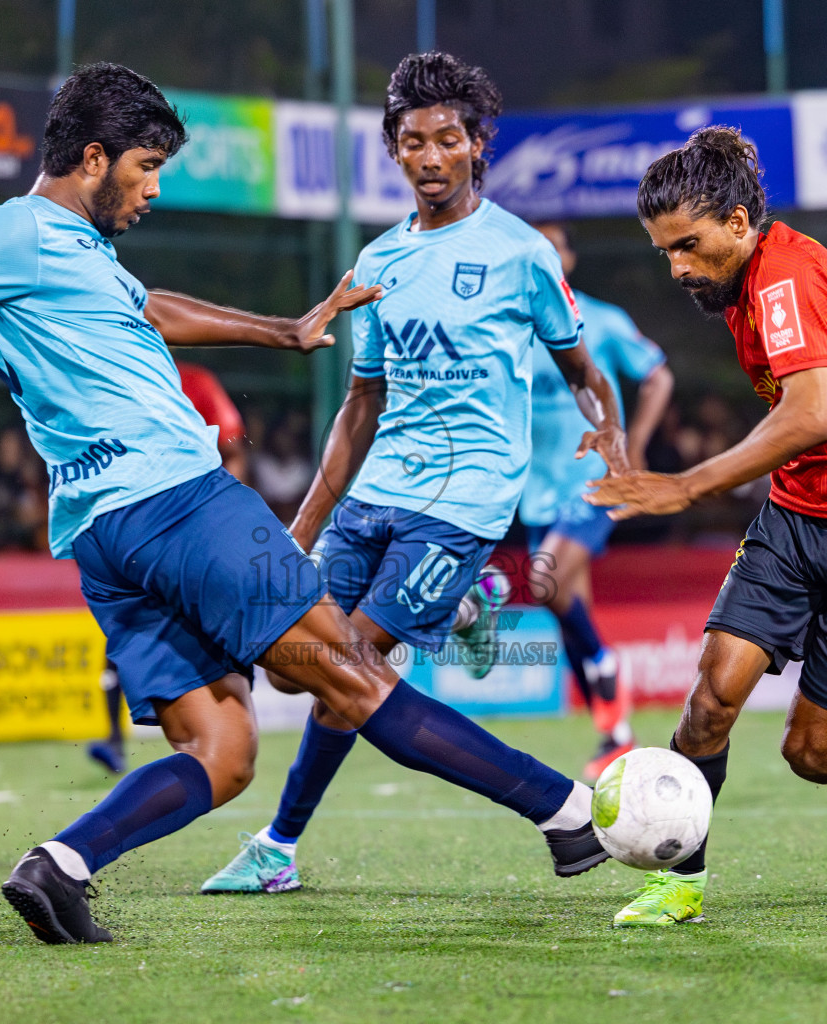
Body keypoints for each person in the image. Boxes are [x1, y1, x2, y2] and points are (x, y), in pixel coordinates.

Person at [0, 61, 610, 946]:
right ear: (91, 157)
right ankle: (565, 811)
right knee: (352, 674)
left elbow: (149, 310)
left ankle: (60, 863)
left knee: (222, 751)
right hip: (184, 504)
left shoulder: (74, 249)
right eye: (144, 169)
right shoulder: (11, 234)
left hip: (105, 538)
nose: (151, 190)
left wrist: (284, 330)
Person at [200, 52, 627, 896]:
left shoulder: (521, 253)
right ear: (394, 152)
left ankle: (281, 845)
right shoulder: (376, 264)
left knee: (347, 664)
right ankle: (466, 609)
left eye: (446, 139)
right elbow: (361, 403)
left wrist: (609, 431)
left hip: (465, 500)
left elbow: (580, 365)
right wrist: (306, 525)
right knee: (295, 663)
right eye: (411, 142)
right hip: (376, 491)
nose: (430, 157)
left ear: (478, 146)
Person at [586, 127, 827, 927]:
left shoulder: (784, 279)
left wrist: (686, 486)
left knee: (814, 754)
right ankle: (678, 880)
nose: (679, 268)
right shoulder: (737, 285)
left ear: (738, 222)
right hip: (799, 516)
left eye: (688, 246)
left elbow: (808, 415)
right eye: (665, 252)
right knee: (709, 699)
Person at [524, 222, 673, 781]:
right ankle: (616, 732)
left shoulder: (601, 320)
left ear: (569, 258)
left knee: (547, 580)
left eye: (554, 247)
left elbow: (658, 377)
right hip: (534, 492)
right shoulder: (515, 330)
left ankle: (610, 679)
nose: (545, 257)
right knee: (560, 605)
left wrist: (632, 448)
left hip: (593, 480)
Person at [88, 363, 248, 775]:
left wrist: (219, 513)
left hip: (193, 526)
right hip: (134, 531)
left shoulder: (195, 381)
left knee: (212, 629)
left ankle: (224, 728)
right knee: (123, 632)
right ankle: (115, 739)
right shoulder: (108, 378)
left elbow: (233, 451)